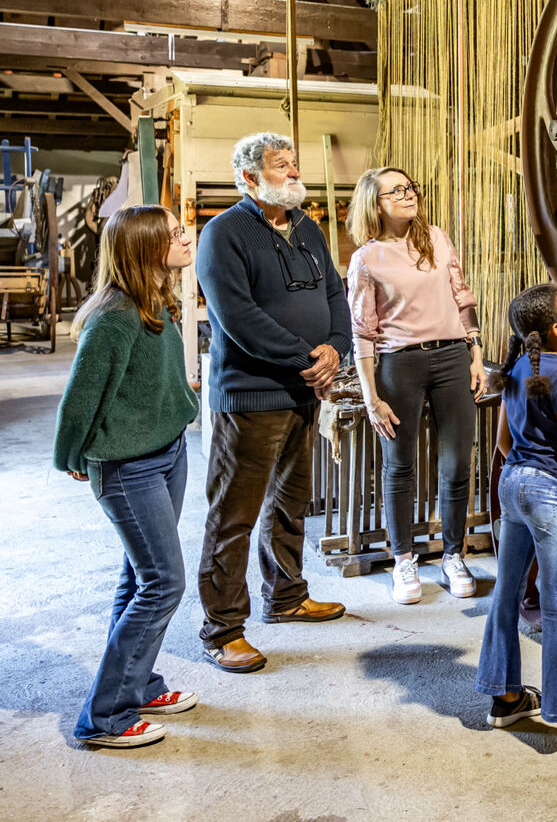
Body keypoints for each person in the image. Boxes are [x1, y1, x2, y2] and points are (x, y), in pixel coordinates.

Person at [194, 132, 349, 673]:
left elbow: (336, 293)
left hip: (305, 390)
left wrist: (336, 348)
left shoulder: (308, 227)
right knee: (233, 515)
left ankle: (286, 597)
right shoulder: (223, 234)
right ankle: (222, 629)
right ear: (249, 178)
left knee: (290, 502)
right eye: (281, 166)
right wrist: (306, 356)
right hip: (252, 395)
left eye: (294, 164)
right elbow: (237, 317)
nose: (292, 173)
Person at [54, 205, 199, 748]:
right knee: (164, 583)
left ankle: (136, 685)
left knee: (141, 578)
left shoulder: (158, 301)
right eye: (175, 234)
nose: (186, 238)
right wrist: (72, 455)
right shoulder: (114, 317)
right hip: (128, 464)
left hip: (167, 451)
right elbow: (80, 400)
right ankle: (105, 716)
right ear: (144, 247)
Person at [345, 167, 488, 604]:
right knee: (400, 464)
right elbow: (363, 331)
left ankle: (453, 555)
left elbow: (462, 298)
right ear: (376, 203)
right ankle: (403, 560)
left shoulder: (437, 239)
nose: (410, 195)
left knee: (456, 463)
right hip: (398, 363)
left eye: (411, 187)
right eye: (397, 190)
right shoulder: (366, 259)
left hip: (451, 358)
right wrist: (371, 395)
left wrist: (476, 352)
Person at [475, 284, 557, 747]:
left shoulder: (514, 370)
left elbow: (502, 443)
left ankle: (506, 700)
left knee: (506, 592)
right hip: (548, 493)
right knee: (556, 603)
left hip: (512, 484)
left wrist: (522, 475)